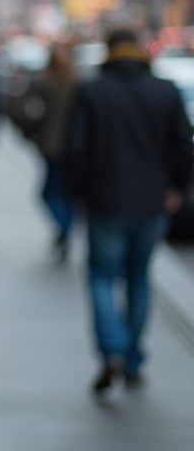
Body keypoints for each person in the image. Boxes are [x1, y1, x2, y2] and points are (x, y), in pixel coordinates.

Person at [65, 28, 192, 395]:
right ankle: (132, 355)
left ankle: (112, 350)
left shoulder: (92, 91)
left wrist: (79, 195)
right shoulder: (164, 91)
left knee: (102, 277)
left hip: (105, 202)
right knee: (139, 279)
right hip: (152, 202)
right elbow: (183, 148)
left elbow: (77, 150)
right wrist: (174, 190)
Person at [8, 43, 77, 261]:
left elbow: (18, 107)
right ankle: (65, 226)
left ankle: (64, 227)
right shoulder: (77, 83)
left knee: (50, 192)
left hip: (52, 145)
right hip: (72, 146)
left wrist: (31, 128)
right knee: (64, 192)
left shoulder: (45, 82)